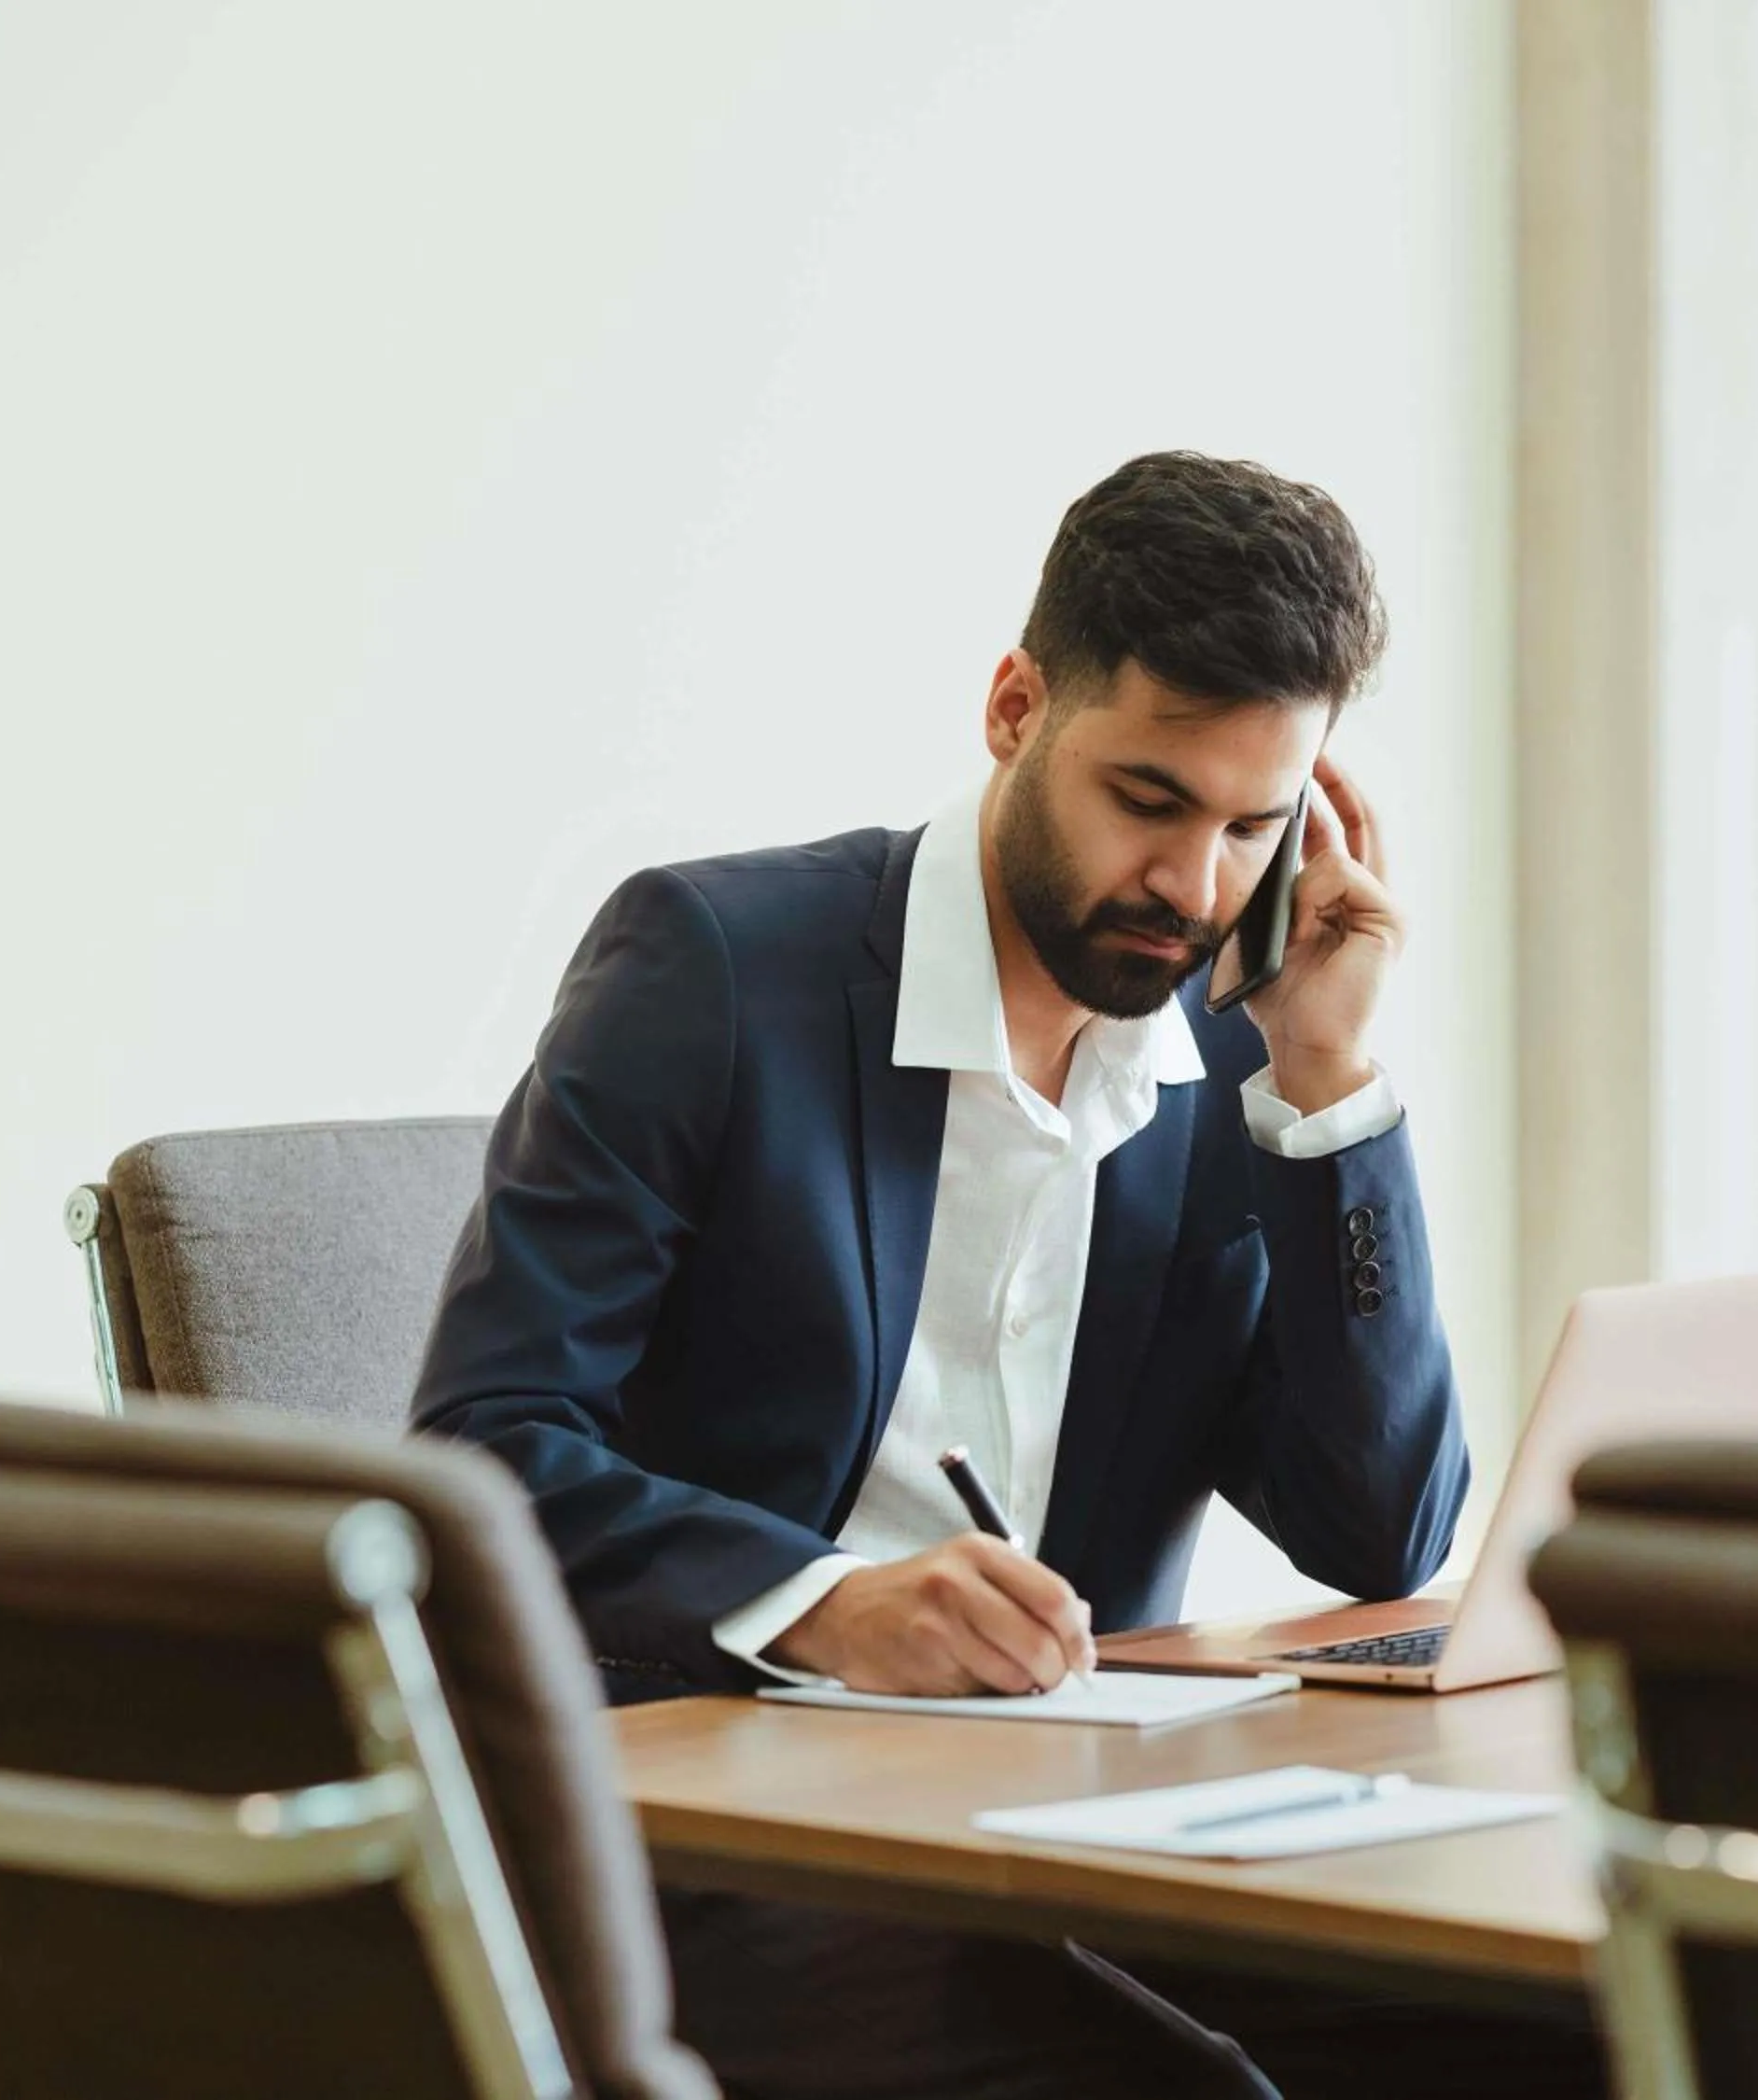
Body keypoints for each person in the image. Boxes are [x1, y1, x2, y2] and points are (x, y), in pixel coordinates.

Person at [413, 452, 1604, 2097]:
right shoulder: (712, 970)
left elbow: (1380, 1530)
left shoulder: (1223, 1052)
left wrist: (1327, 1088)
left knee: (1575, 2032)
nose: (1197, 892)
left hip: (1086, 1834)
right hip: (718, 1844)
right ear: (1014, 704)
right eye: (1151, 801)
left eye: (1259, 825)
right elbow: (484, 1447)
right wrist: (824, 1601)